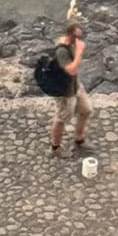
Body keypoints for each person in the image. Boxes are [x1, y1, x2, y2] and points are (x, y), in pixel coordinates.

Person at [47, 10, 89, 156]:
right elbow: (71, 70)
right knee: (62, 118)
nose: (79, 39)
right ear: (70, 35)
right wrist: (79, 52)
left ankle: (79, 138)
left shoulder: (71, 42)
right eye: (77, 36)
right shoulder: (61, 51)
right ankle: (55, 147)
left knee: (86, 110)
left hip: (75, 85)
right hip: (64, 91)